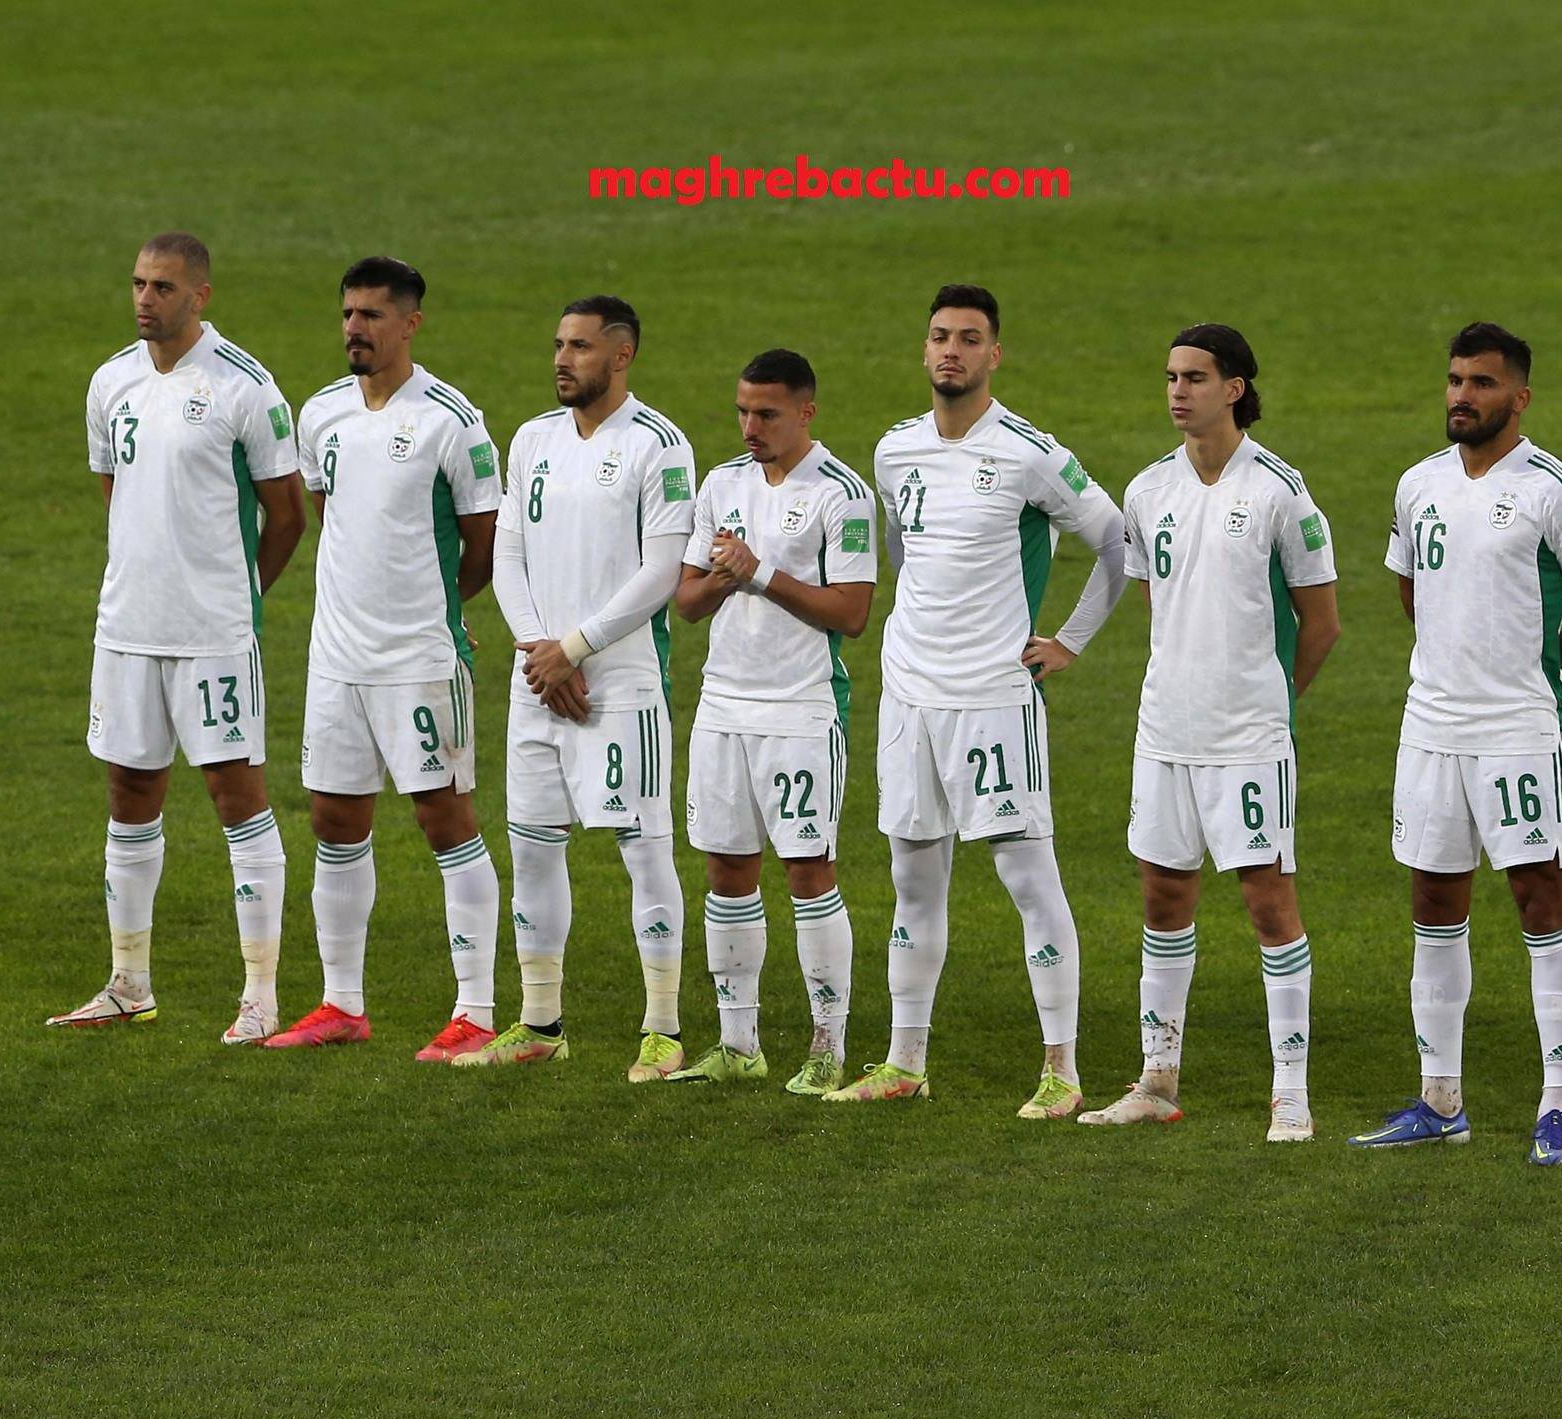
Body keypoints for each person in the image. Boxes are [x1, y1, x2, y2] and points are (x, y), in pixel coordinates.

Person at [832, 284, 1128, 1120]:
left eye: (968, 338)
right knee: (911, 878)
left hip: (994, 698)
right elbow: (901, 547)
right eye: (938, 337)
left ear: (994, 354)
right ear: (923, 351)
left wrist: (1067, 639)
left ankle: (1062, 1072)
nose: (951, 351)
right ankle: (904, 1061)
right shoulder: (894, 451)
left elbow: (1115, 539)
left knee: (1028, 878)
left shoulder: (1028, 453)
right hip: (909, 698)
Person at [1350, 322, 1562, 1166]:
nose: (1463, 396)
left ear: (1520, 397)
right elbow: (1414, 590)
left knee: (1542, 901)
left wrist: (1538, 665)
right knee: (1434, 905)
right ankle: (1440, 1100)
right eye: (1456, 380)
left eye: (1483, 383)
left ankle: (1559, 1108)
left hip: (1517, 733)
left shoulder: (1556, 490)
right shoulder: (1419, 484)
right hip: (1431, 729)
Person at [1079, 324, 1340, 1140]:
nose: (1176, 391)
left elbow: (1322, 622)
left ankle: (1289, 1092)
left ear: (1235, 388)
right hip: (1165, 732)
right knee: (1163, 896)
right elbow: (1159, 603)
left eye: (1194, 377)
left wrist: (1268, 698)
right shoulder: (1148, 490)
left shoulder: (1281, 492)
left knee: (1269, 904)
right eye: (1169, 377)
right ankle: (1157, 1079)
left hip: (1248, 739)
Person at [54, 232, 305, 1044]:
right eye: (136, 283)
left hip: (213, 636)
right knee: (130, 794)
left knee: (238, 798)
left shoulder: (246, 388)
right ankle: (129, 982)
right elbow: (116, 488)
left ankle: (260, 995)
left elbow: (288, 512)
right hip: (126, 627)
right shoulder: (111, 382)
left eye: (161, 287)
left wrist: (237, 595)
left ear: (200, 295)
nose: (143, 300)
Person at [265, 256, 504, 1059]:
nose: (354, 331)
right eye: (347, 316)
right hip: (337, 658)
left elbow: (482, 548)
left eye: (371, 316)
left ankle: (475, 1011)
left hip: (419, 659)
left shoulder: (452, 419)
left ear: (410, 324)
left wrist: (429, 611)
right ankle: (341, 1004)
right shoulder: (323, 412)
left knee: (446, 820)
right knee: (335, 822)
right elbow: (333, 516)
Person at [460, 296, 696, 1078]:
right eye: (559, 344)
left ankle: (662, 1028)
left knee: (643, 849)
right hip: (540, 682)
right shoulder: (531, 439)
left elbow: (661, 572)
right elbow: (508, 554)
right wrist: (540, 653)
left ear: (621, 356)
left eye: (581, 347)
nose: (562, 359)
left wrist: (575, 648)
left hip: (619, 688)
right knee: (531, 848)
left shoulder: (657, 446)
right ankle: (539, 1022)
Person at [666, 349, 877, 1092]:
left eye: (766, 414)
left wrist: (758, 573)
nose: (750, 427)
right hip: (723, 704)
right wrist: (723, 581)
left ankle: (827, 1046)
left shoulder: (842, 494)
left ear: (806, 412)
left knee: (808, 870)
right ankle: (738, 1042)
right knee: (727, 868)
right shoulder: (722, 483)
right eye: (742, 412)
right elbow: (685, 604)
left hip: (800, 709)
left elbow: (851, 614)